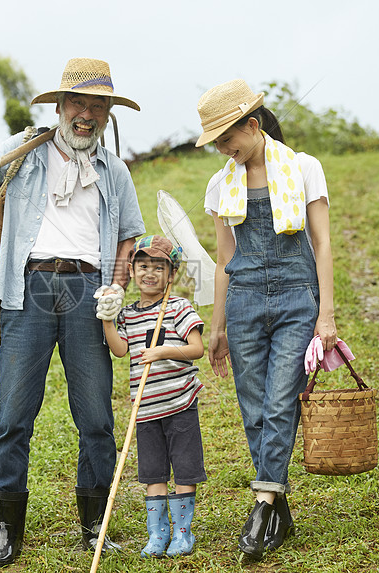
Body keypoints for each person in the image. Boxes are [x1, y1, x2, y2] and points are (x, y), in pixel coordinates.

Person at [0, 57, 145, 568]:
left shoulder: (115, 170)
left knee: (97, 418)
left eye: (98, 106)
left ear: (108, 113)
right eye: (78, 104)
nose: (87, 115)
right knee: (13, 415)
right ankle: (7, 532)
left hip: (88, 290)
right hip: (29, 288)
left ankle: (92, 524)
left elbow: (129, 235)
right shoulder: (27, 153)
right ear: (59, 107)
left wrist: (117, 287)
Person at [195, 79, 338, 560]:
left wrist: (327, 315)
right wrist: (216, 329)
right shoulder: (221, 184)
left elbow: (321, 244)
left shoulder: (303, 169)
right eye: (216, 143)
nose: (223, 149)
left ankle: (259, 509)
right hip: (245, 303)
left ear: (252, 126)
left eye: (227, 139)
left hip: (298, 300)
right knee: (253, 408)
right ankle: (277, 502)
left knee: (280, 403)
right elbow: (223, 261)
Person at [96, 235, 206, 558]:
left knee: (184, 469)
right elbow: (120, 350)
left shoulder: (178, 307)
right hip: (145, 410)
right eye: (142, 265)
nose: (149, 273)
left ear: (171, 274)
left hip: (179, 404)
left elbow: (196, 349)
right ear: (130, 270)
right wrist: (106, 321)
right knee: (153, 472)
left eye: (159, 267)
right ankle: (158, 535)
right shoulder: (128, 314)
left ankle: (183, 533)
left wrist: (162, 352)